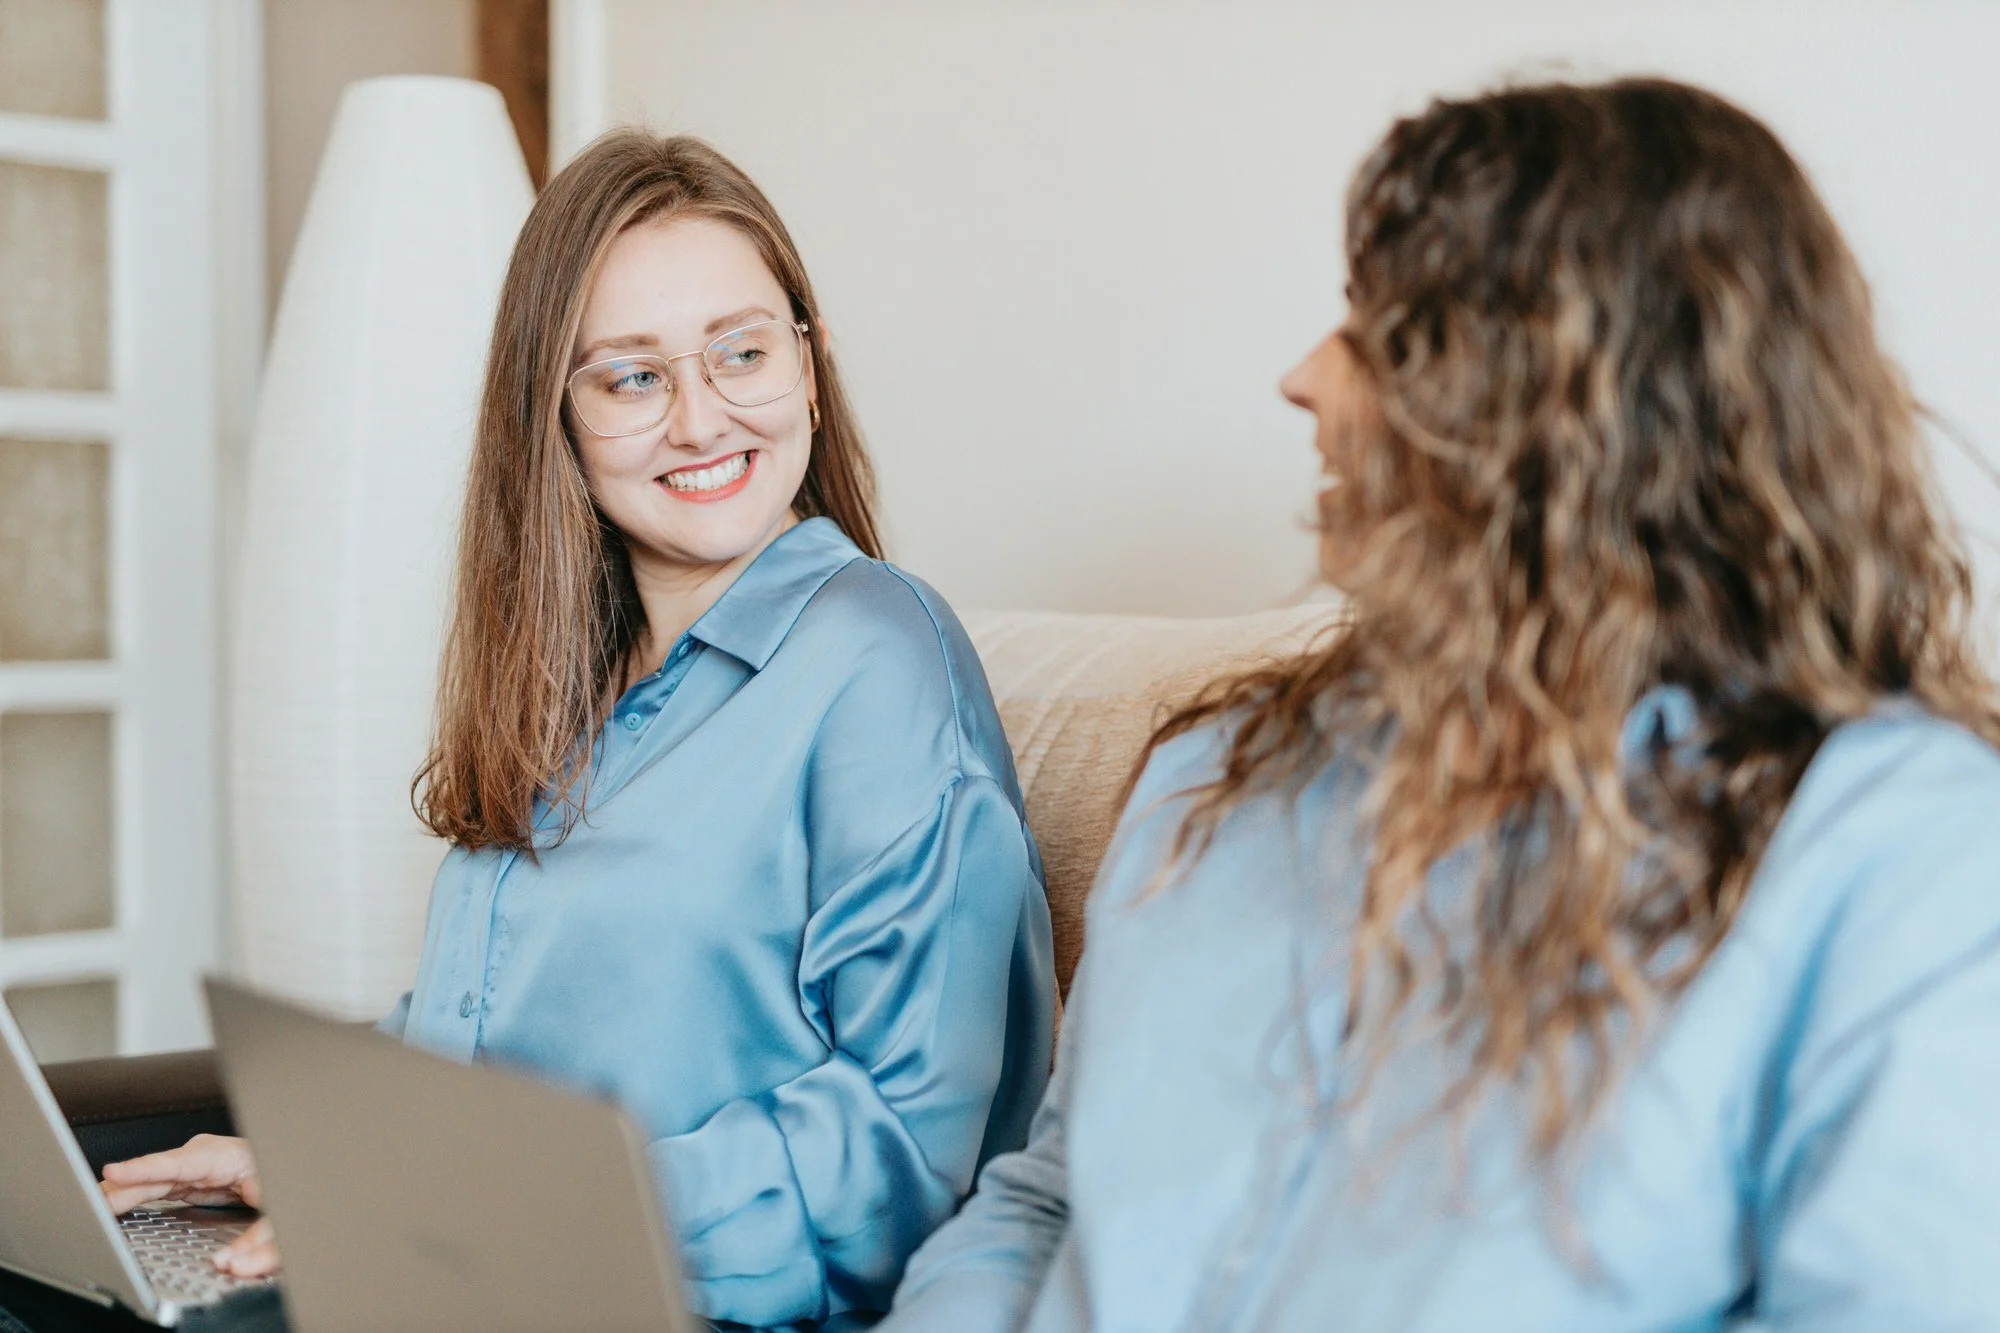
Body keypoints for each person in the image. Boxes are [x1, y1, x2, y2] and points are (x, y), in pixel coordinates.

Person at [882, 78, 2000, 1331]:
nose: (1302, 379)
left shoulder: (1892, 850)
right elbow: (1039, 1207)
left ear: (1575, 409)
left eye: (1379, 333)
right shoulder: (1216, 782)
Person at [90, 132, 1055, 1333]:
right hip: (470, 1281)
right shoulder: (572, 691)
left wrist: (475, 1203)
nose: (701, 420)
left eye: (741, 353)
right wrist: (322, 1160)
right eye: (632, 377)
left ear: (807, 366)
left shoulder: (875, 656)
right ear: (557, 413)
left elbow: (896, 1155)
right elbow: (498, 1035)